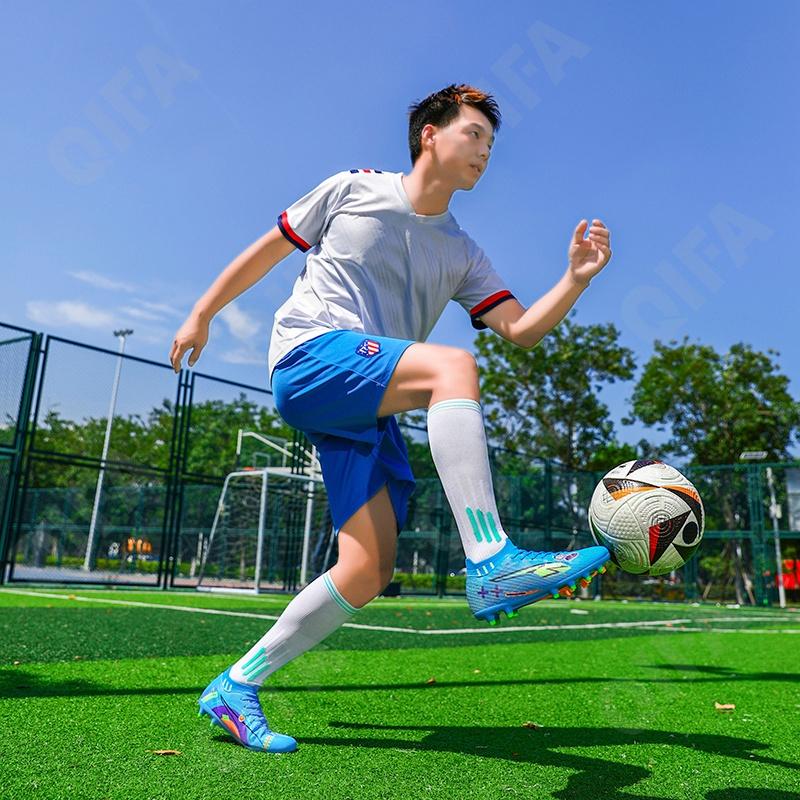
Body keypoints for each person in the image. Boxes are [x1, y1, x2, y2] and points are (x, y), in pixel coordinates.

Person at [170, 84, 613, 753]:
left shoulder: (463, 251)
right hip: (309, 356)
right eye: (474, 135)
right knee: (453, 367)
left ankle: (235, 685)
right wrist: (203, 313)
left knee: (368, 568)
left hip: (364, 401)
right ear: (430, 134)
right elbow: (269, 249)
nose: (484, 152)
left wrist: (576, 278)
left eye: (491, 145)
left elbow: (520, 329)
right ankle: (491, 556)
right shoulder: (353, 189)